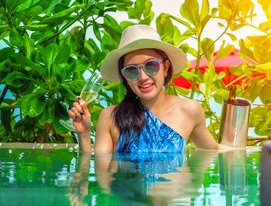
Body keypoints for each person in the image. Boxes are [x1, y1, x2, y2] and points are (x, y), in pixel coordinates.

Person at [68, 24, 235, 154]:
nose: (143, 77)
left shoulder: (190, 110)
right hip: (128, 196)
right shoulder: (111, 117)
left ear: (166, 67)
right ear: (125, 77)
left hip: (175, 197)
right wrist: (84, 134)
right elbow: (99, 168)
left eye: (151, 66)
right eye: (132, 70)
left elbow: (212, 151)